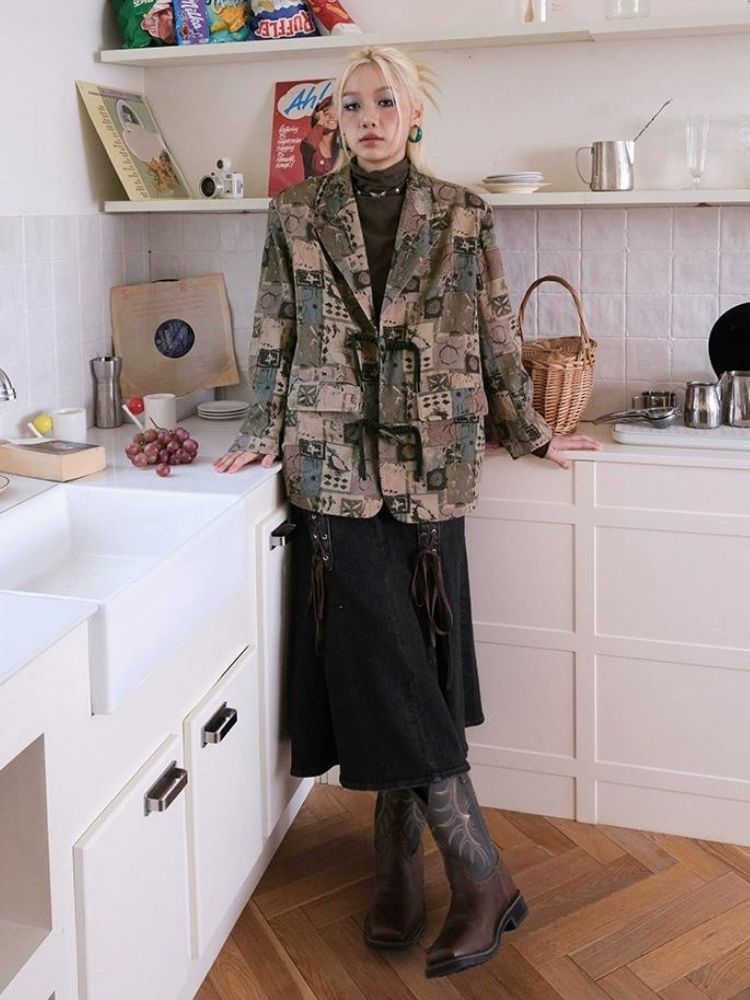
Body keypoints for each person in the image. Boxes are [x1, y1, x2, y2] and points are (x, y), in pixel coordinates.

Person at [214, 44, 602, 979]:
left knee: (419, 655)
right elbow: (274, 325)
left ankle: (401, 862)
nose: (370, 118)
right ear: (335, 120)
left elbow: (496, 329)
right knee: (384, 652)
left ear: (415, 112)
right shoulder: (296, 213)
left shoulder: (463, 213)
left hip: (434, 458)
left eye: (386, 102)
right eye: (353, 105)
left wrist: (532, 431)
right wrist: (262, 425)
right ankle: (477, 872)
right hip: (332, 461)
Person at [299, 94, 341, 178]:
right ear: (318, 117)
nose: (332, 116)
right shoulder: (311, 144)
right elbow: (308, 147)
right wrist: (321, 122)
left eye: (335, 112)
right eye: (326, 113)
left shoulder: (342, 146)